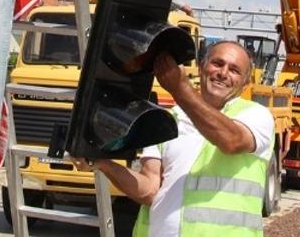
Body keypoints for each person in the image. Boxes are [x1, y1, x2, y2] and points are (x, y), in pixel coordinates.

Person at [74, 41, 274, 237]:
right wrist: (104, 164)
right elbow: (150, 190)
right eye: (218, 63)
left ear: (246, 81)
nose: (223, 73)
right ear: (202, 66)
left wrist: (179, 88)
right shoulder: (168, 121)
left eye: (234, 70)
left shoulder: (256, 115)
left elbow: (231, 141)